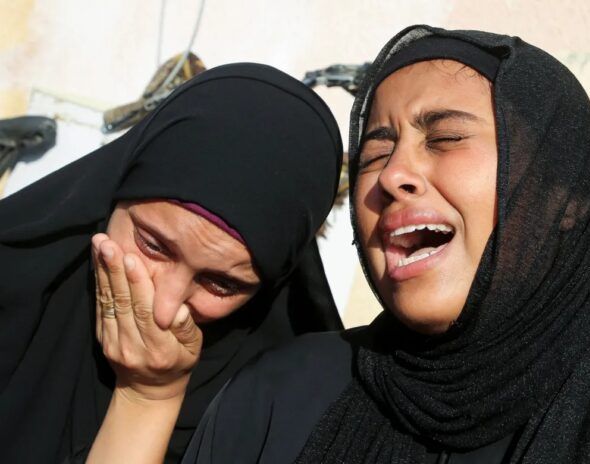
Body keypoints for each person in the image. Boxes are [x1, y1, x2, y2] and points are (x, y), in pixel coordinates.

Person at [87, 26, 590, 463]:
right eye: (376, 150)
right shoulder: (283, 393)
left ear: (561, 196)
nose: (391, 175)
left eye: (446, 137)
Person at [0, 62, 344, 463]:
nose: (163, 308)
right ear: (114, 193)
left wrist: (148, 395)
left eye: (221, 283)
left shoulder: (286, 419)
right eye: (153, 246)